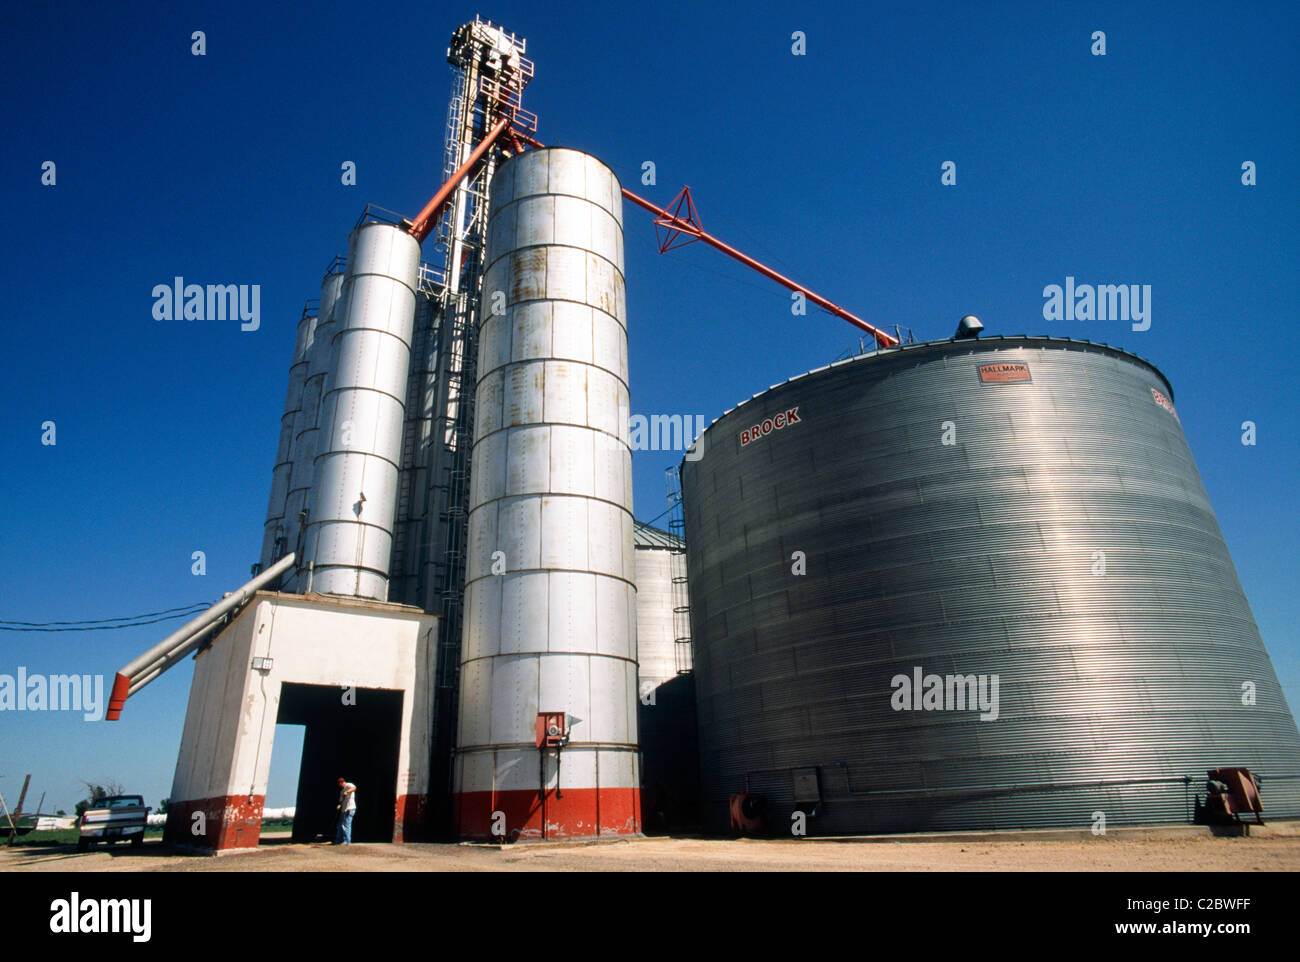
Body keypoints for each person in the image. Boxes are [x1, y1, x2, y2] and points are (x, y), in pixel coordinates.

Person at [334, 777, 356, 845]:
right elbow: (341, 800)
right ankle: (339, 840)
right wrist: (339, 805)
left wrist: (347, 791)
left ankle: (347, 841)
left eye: (339, 784)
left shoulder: (348, 785)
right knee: (340, 825)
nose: (339, 786)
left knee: (346, 825)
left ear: (342, 782)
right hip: (343, 810)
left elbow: (354, 788)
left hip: (350, 808)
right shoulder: (341, 791)